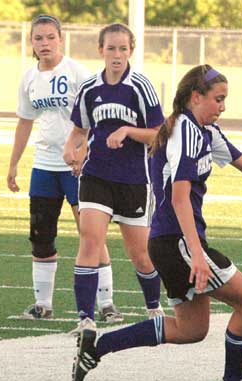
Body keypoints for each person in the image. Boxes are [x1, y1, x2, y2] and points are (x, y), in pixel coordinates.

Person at [71, 64, 242, 381]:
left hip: (170, 240)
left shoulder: (202, 130)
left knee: (191, 329)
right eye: (218, 99)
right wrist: (198, 256)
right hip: (177, 239)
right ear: (196, 97)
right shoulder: (186, 131)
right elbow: (179, 199)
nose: (223, 106)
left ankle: (97, 347)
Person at [7, 14, 122, 323]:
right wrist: (14, 163)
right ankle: (42, 304)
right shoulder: (29, 78)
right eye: (38, 38)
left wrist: (83, 151)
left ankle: (107, 303)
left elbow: (95, 119)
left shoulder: (77, 74)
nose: (44, 43)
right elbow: (25, 122)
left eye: (49, 37)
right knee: (40, 235)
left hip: (77, 167)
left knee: (91, 233)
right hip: (44, 166)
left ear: (60, 39)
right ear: (31, 42)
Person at [63, 23, 165, 334]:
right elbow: (79, 130)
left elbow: (160, 134)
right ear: (100, 50)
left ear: (131, 51)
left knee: (141, 256)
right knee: (90, 240)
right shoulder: (90, 88)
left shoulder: (140, 87)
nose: (117, 54)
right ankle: (85, 319)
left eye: (123, 48)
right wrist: (71, 150)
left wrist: (128, 131)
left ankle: (153, 308)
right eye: (111, 48)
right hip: (96, 176)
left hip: (133, 181)